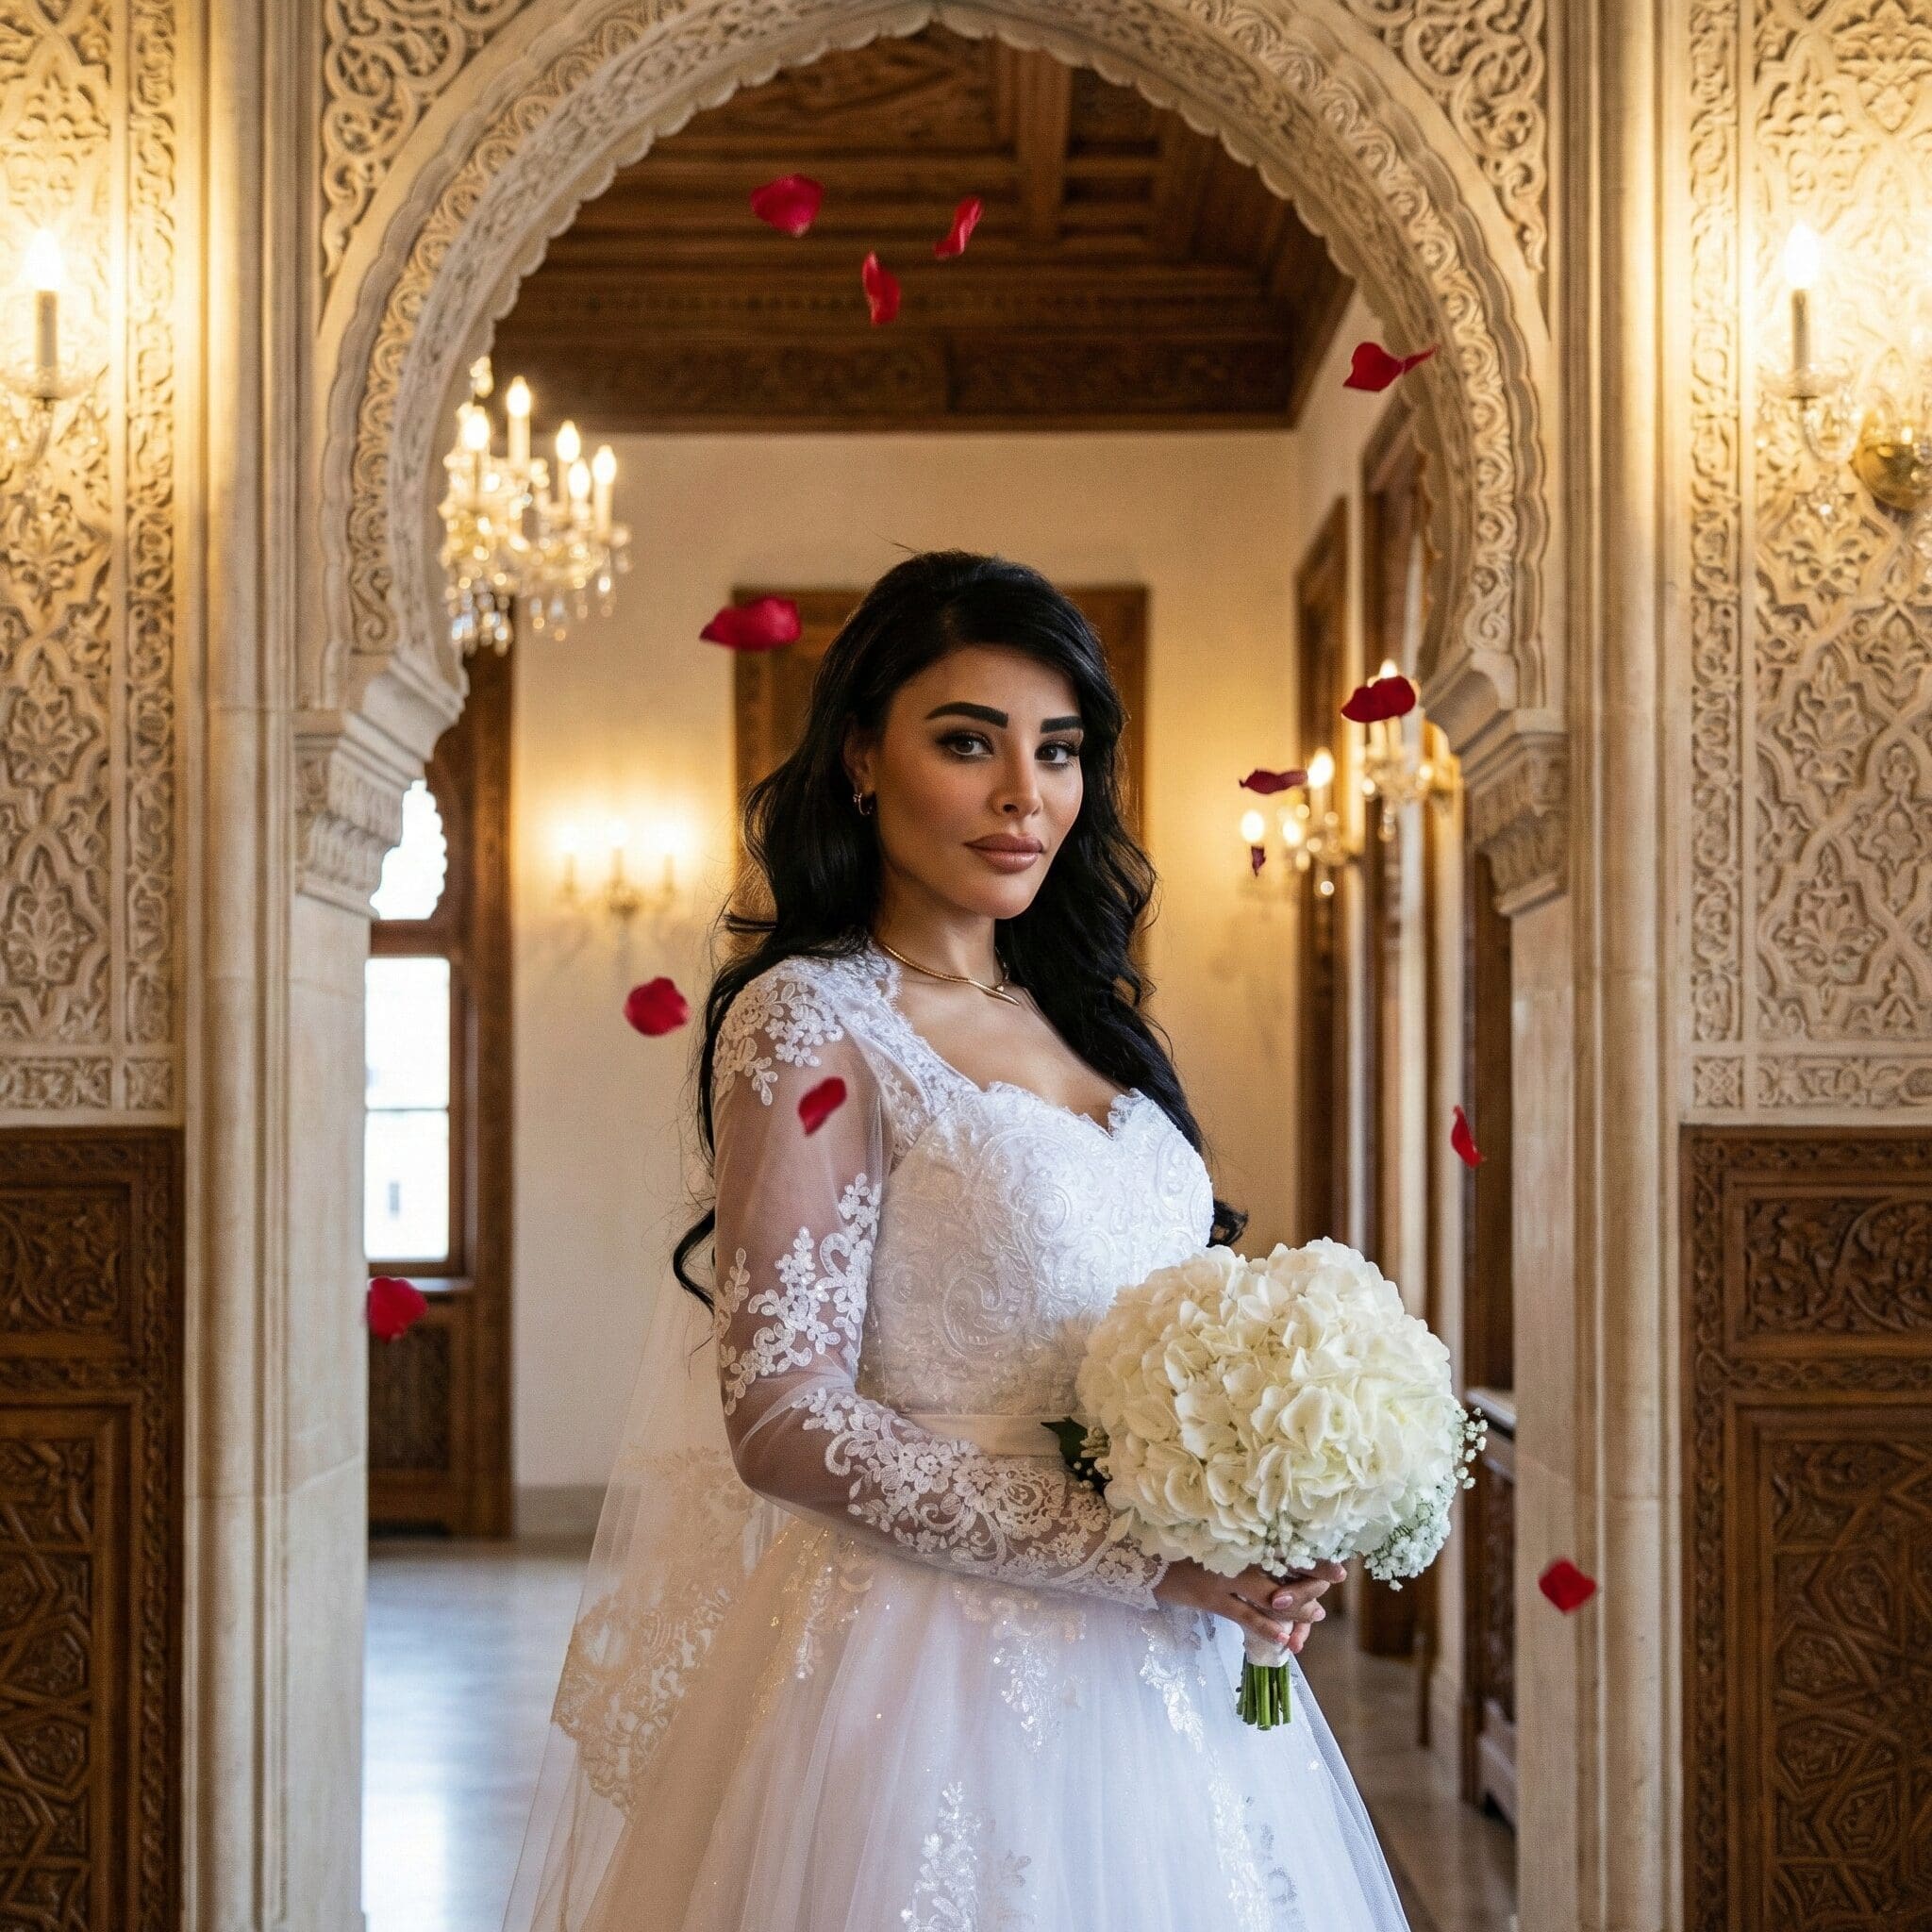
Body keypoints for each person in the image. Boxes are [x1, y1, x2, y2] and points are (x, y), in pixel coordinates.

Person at [501, 550, 1411, 1931]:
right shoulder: (815, 1024)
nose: (1022, 795)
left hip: (1168, 1680)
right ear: (862, 758)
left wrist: (1261, 1512)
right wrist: (1144, 1556)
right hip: (918, 1678)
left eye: (1058, 751)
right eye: (967, 742)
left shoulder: (1084, 1020)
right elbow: (785, 1415)